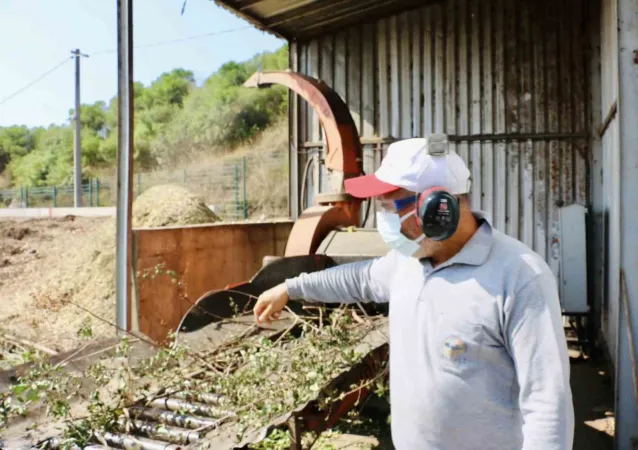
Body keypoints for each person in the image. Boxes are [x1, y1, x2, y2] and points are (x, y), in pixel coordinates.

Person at [253, 134, 574, 450]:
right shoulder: (408, 261)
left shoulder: (519, 277)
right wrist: (290, 287)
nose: (384, 221)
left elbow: (547, 405)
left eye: (391, 207)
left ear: (438, 209)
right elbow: (360, 278)